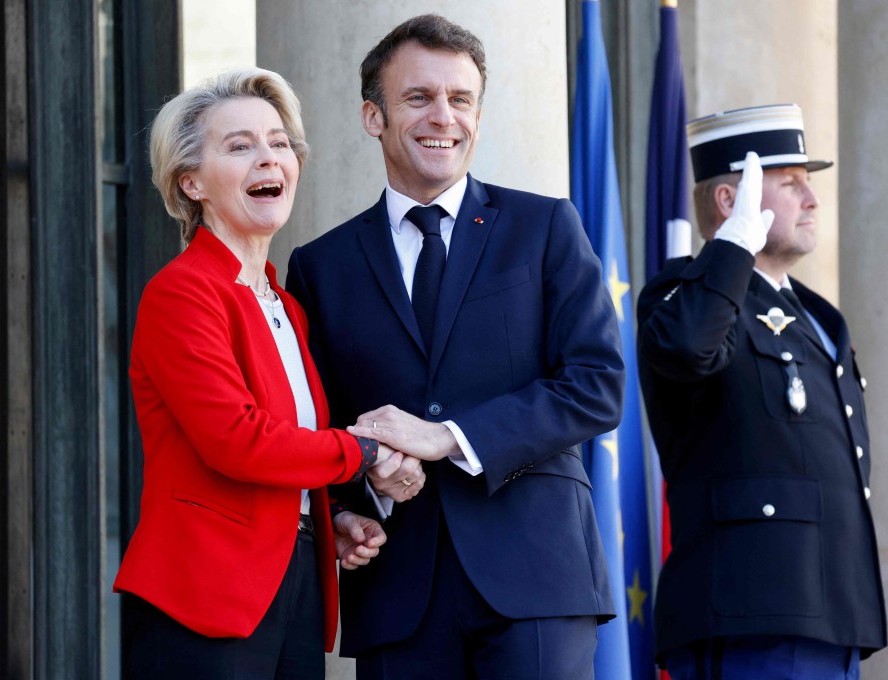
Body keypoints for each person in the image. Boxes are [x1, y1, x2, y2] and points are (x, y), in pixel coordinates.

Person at [285, 14, 625, 680]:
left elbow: (597, 383)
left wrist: (449, 437)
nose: (444, 116)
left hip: (537, 580)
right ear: (373, 117)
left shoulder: (545, 227)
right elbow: (318, 423)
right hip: (397, 589)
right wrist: (357, 496)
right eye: (419, 98)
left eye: (460, 99)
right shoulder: (321, 266)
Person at [113, 67, 400, 679]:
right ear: (191, 182)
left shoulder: (284, 305)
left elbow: (285, 453)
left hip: (290, 589)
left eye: (279, 143)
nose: (269, 159)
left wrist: (326, 517)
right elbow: (236, 440)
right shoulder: (181, 293)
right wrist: (365, 450)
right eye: (239, 146)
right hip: (203, 596)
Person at [637, 104, 887, 679]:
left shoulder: (814, 316)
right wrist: (735, 246)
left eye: (808, 183)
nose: (812, 199)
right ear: (732, 201)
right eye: (790, 183)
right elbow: (688, 348)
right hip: (752, 613)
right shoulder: (683, 295)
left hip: (831, 612)